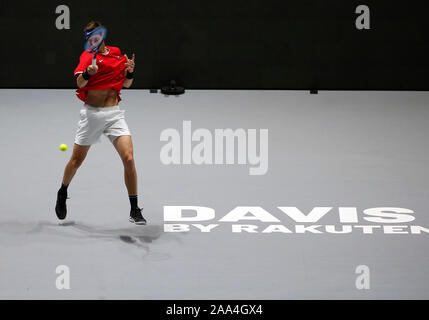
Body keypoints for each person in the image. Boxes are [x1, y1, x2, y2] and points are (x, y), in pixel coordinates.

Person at [55, 21, 146, 225]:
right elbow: (79, 82)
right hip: (92, 115)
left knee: (129, 159)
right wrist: (88, 73)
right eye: (89, 37)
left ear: (102, 34)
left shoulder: (116, 53)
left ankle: (134, 209)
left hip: (114, 114)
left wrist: (130, 71)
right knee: (76, 162)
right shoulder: (87, 57)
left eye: (95, 36)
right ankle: (62, 191)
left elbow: (126, 84)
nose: (92, 40)